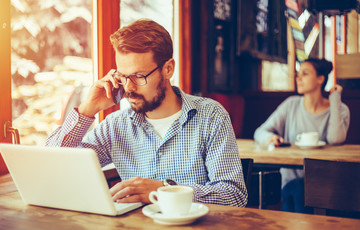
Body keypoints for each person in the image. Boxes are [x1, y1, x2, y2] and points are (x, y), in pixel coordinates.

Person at [46, 19, 248, 207]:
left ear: (168, 69)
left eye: (139, 76)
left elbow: (234, 196)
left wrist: (166, 191)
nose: (129, 88)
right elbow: (52, 166)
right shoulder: (115, 126)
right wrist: (87, 109)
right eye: (123, 77)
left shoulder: (211, 116)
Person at [254, 58, 350, 213]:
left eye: (305, 74)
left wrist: (335, 99)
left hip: (325, 182)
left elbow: (336, 139)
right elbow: (260, 131)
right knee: (299, 189)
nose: (298, 78)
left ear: (320, 79)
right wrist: (270, 138)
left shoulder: (340, 109)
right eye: (298, 74)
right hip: (291, 182)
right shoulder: (291, 104)